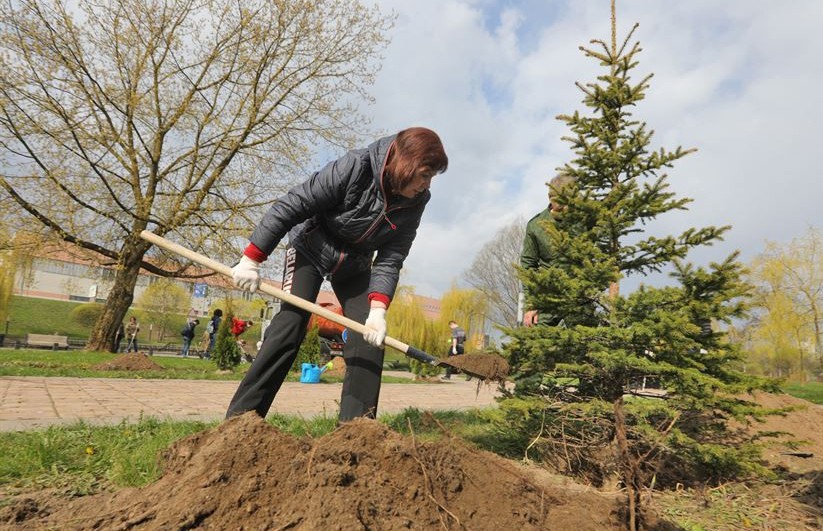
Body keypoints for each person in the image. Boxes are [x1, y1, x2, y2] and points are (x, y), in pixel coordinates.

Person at [226, 127, 448, 422]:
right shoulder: (355, 167)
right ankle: (240, 420)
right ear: (404, 163)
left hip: (355, 264)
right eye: (424, 173)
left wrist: (378, 310)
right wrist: (251, 259)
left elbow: (392, 257)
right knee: (291, 324)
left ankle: (356, 432)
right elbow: (292, 205)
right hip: (311, 248)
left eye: (432, 176)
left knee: (368, 338)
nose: (426, 184)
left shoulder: (417, 200)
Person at [520, 173, 576, 327]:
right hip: (547, 299)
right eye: (562, 202)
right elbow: (527, 266)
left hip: (581, 298)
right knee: (535, 340)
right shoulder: (536, 225)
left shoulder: (584, 221)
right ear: (551, 197)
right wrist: (531, 305)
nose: (566, 207)